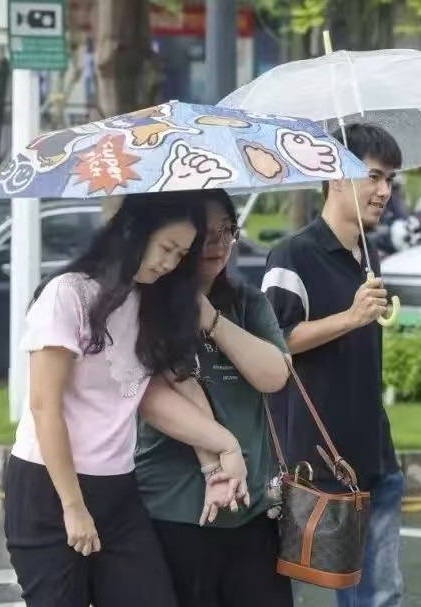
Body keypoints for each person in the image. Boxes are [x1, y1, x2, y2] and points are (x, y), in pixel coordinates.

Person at [4, 191, 242, 607]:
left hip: (117, 491)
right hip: (49, 490)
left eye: (181, 254)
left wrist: (224, 445)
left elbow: (146, 396)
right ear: (133, 231)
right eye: (167, 248)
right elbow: (45, 407)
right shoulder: (68, 294)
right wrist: (73, 506)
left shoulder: (147, 302)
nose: (170, 263)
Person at [261, 123, 405, 607]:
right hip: (322, 462)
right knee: (335, 590)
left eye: (390, 180)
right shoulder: (292, 255)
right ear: (335, 176)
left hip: (376, 454)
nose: (384, 191)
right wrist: (350, 317)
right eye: (375, 177)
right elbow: (273, 343)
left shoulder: (369, 254)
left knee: (382, 594)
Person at [134, 189, 293, 607]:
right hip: (173, 510)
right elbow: (155, 393)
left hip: (252, 509)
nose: (219, 245)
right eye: (206, 234)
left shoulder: (246, 302)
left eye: (228, 231)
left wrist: (213, 321)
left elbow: (275, 375)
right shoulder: (145, 303)